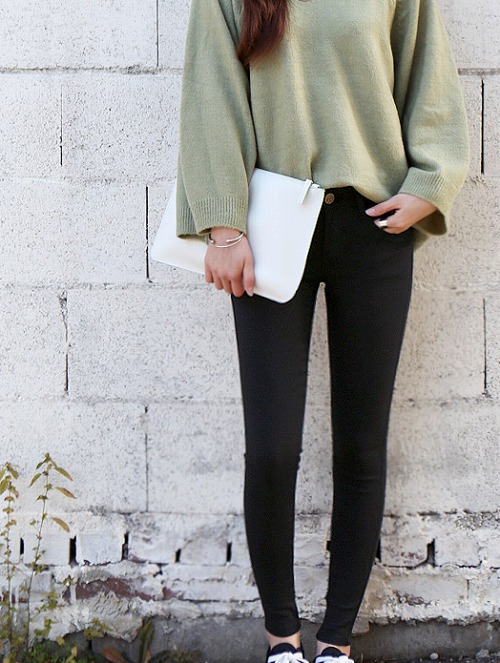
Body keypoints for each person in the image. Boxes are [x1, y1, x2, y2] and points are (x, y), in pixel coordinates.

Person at [174, 1, 469, 662]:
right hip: (269, 230)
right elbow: (211, 95)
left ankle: (336, 641)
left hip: (372, 226)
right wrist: (223, 225)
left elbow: (427, 74)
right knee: (273, 448)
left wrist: (430, 181)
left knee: (362, 445)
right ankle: (282, 638)